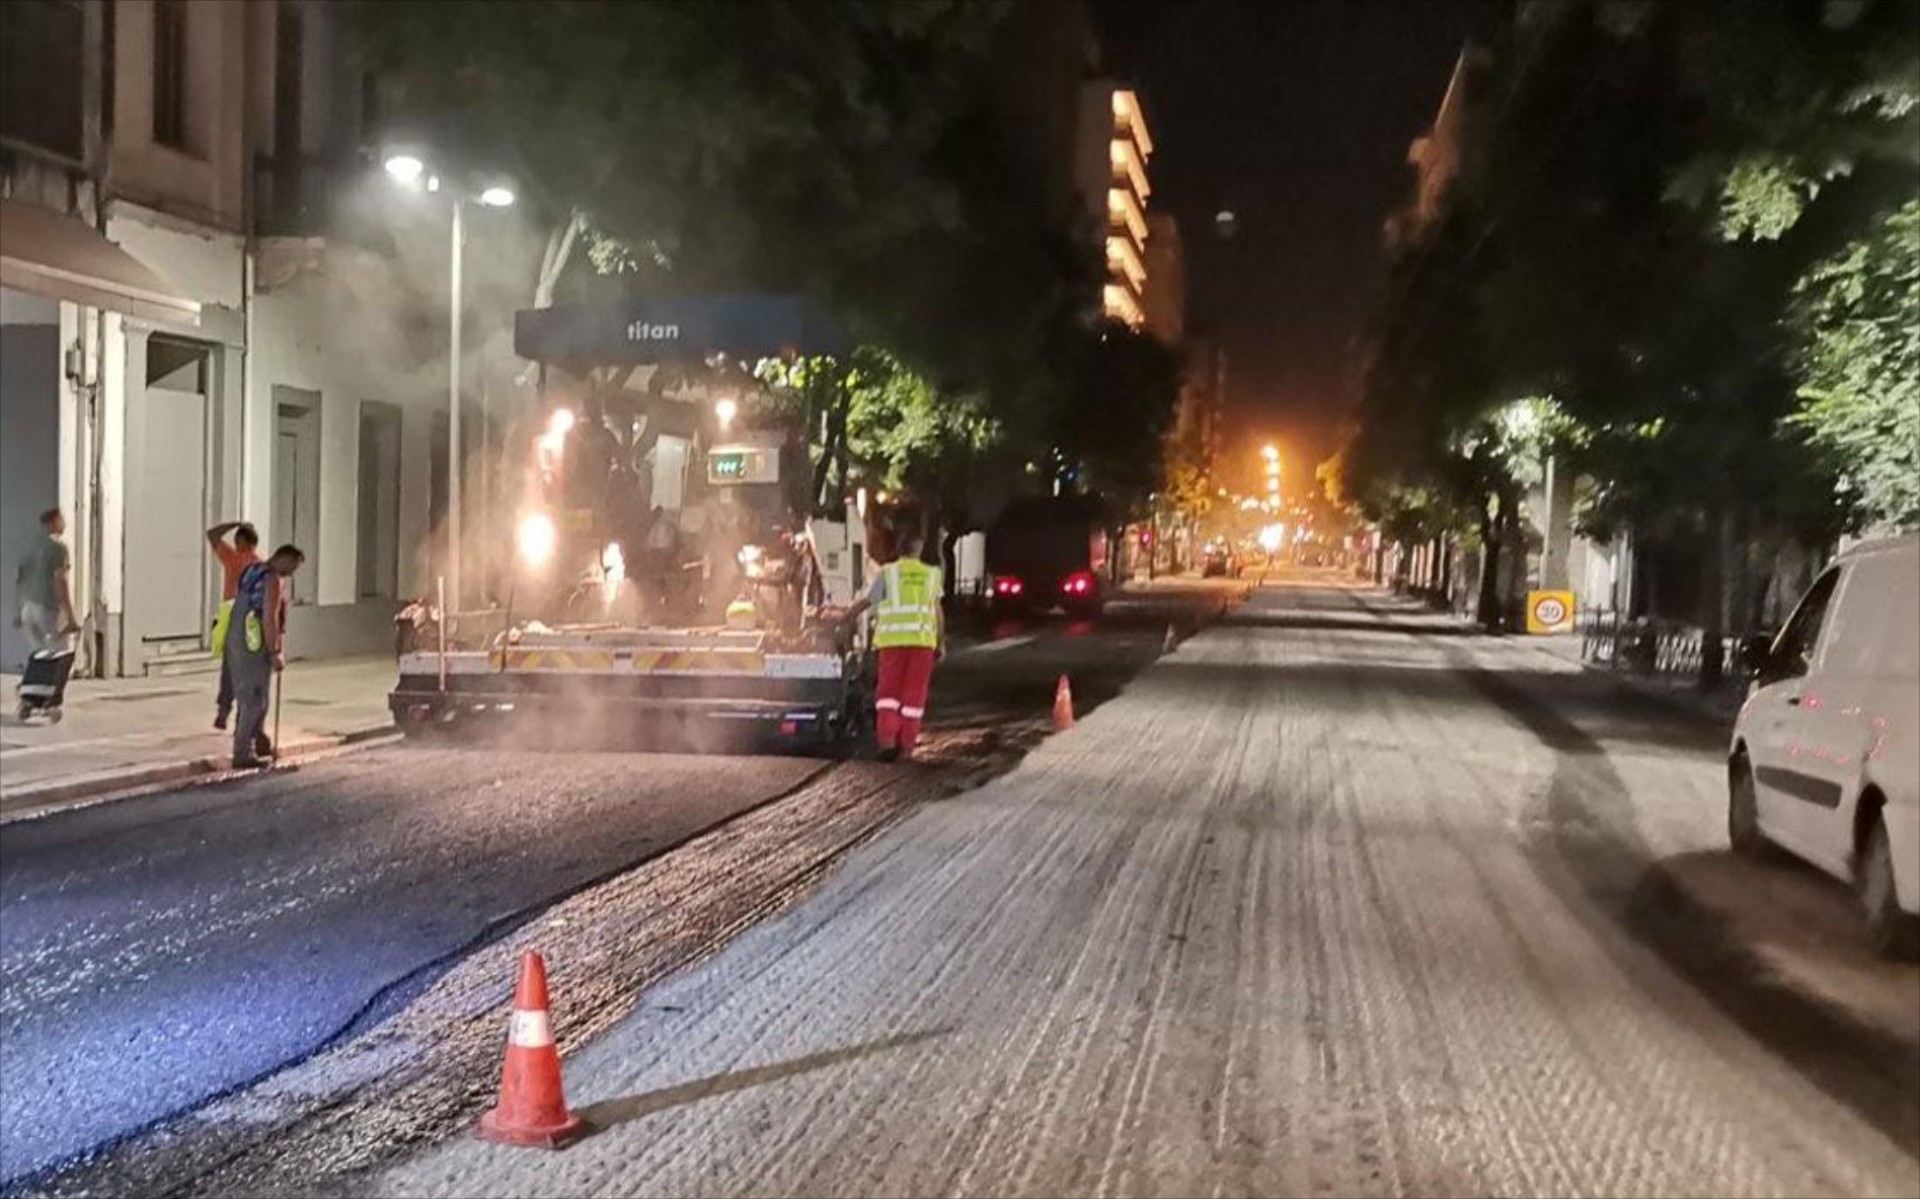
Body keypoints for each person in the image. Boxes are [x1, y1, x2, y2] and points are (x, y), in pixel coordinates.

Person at [846, 529, 944, 762]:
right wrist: (941, 641)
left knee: (888, 695)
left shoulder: (887, 574)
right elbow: (938, 612)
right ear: (918, 549)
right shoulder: (931, 574)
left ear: (899, 550)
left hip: (892, 644)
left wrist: (845, 617)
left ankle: (887, 741)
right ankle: (907, 747)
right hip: (922, 645)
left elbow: (867, 601)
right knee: (914, 697)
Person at [226, 544, 304, 768]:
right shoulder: (272, 580)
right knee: (255, 700)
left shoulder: (251, 571)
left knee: (247, 696)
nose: (291, 572)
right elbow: (269, 618)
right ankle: (243, 752)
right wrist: (275, 651)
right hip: (255, 643)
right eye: (292, 566)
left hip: (238, 639)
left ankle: (257, 741)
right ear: (283, 558)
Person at [206, 520, 261, 729]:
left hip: (231, 618)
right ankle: (242, 716)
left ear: (242, 541)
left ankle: (223, 710)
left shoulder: (233, 558)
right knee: (248, 670)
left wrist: (234, 523)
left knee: (229, 668)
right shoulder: (260, 565)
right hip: (251, 622)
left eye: (237, 540)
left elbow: (212, 534)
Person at [13, 508, 77, 652]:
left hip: (27, 609)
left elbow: (19, 580)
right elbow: (61, 582)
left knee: (38, 655)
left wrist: (17, 611)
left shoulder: (29, 547)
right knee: (57, 654)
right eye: (61, 520)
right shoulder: (58, 548)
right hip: (46, 609)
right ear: (53, 522)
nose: (64, 524)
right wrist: (70, 617)